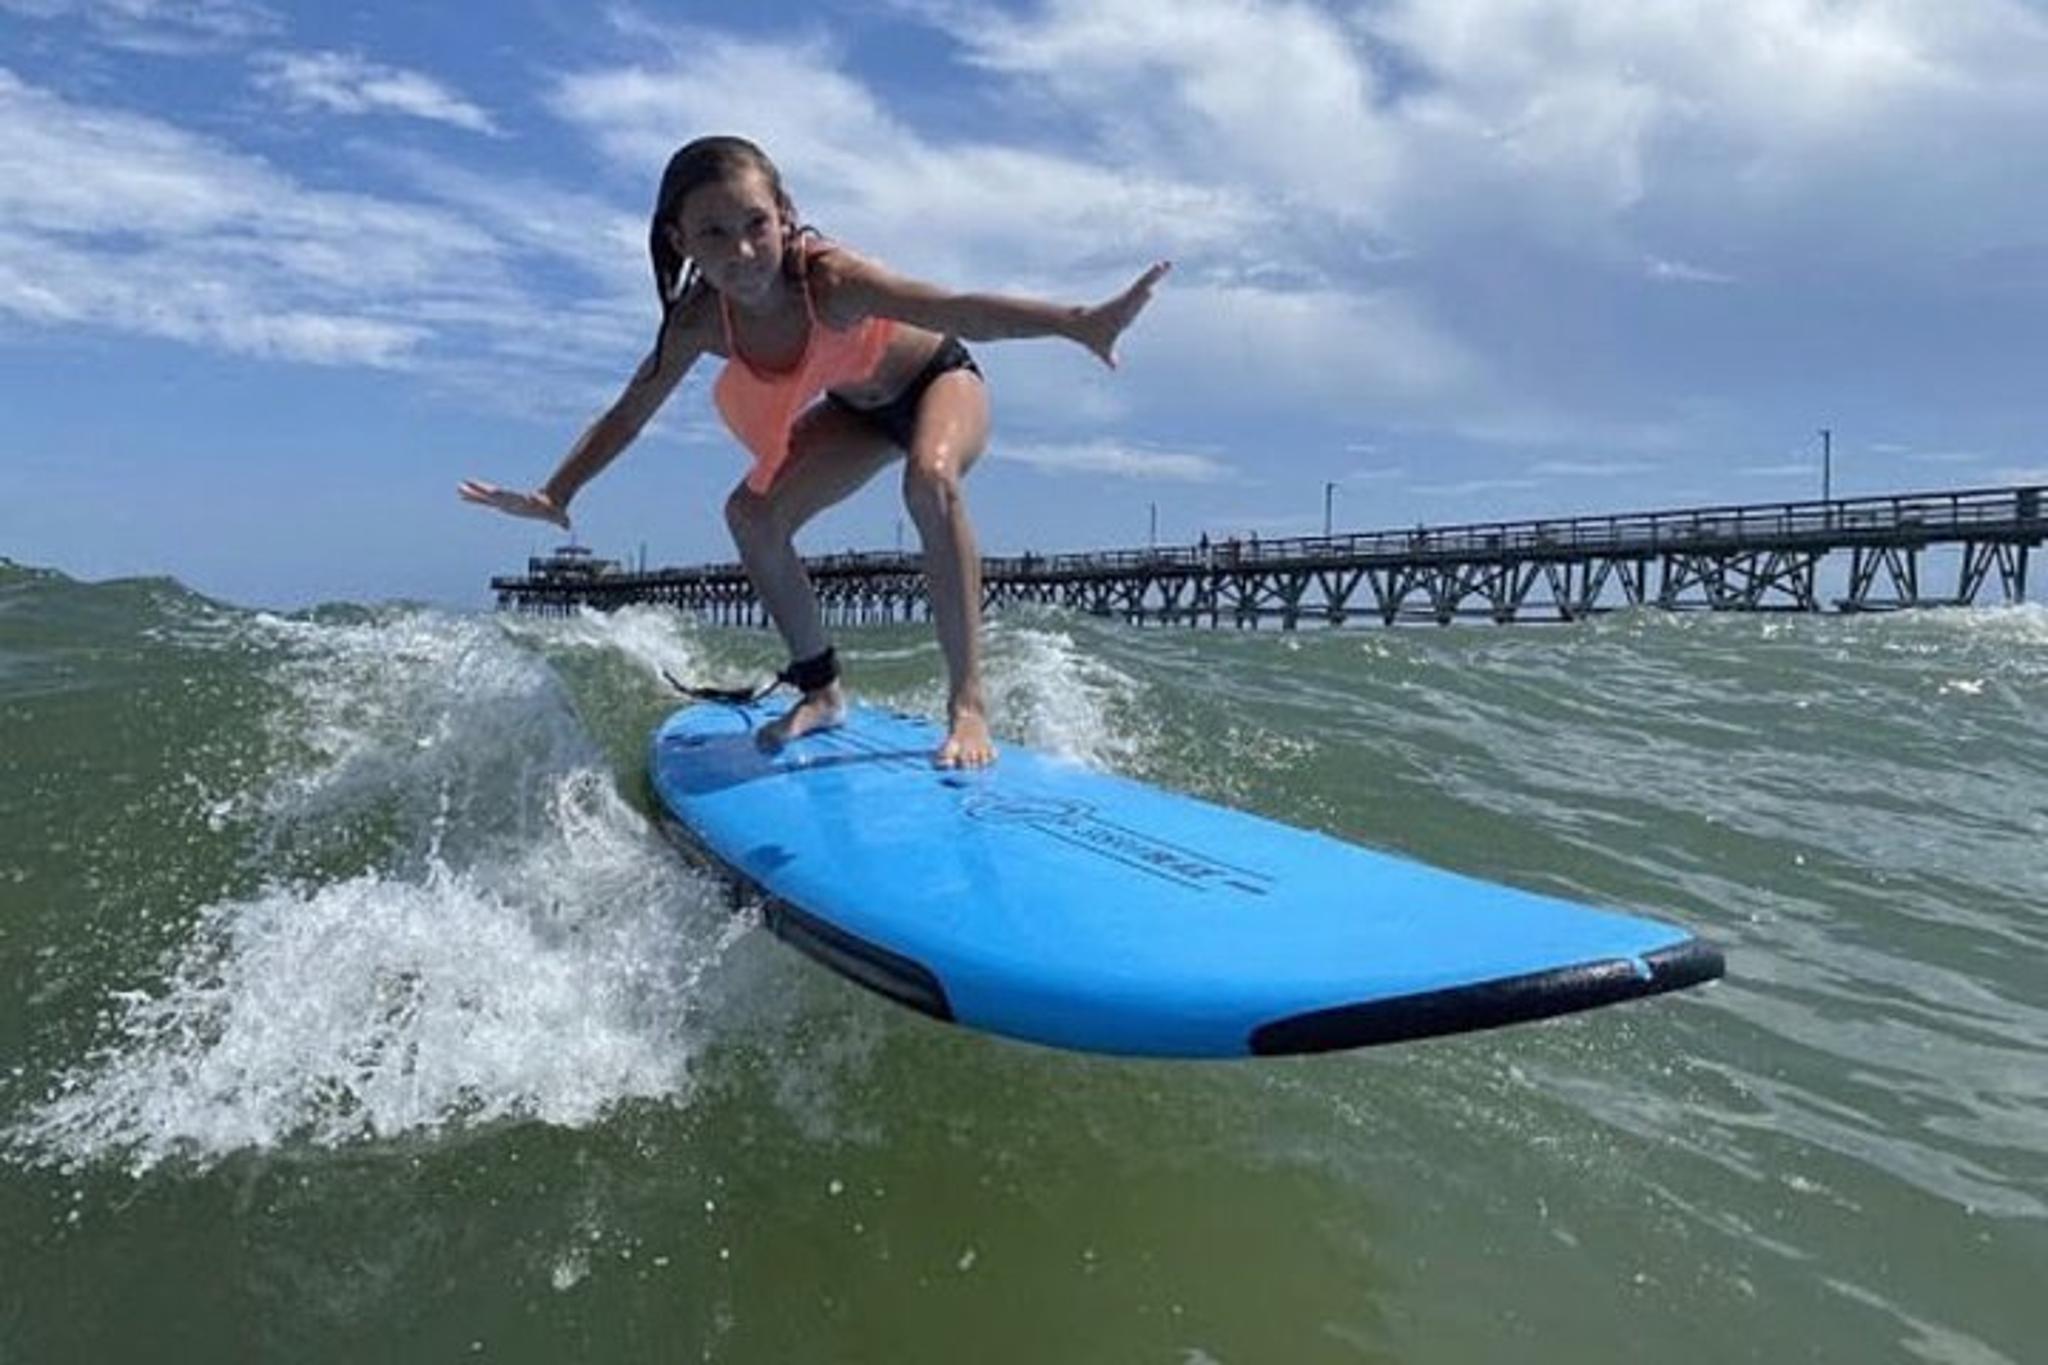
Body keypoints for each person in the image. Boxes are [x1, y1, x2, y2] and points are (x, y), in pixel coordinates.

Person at [460, 135, 1168, 768]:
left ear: (785, 212)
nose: (741, 251)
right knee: (750, 514)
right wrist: (559, 493)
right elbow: (628, 413)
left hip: (938, 381)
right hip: (857, 413)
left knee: (929, 479)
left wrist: (1080, 324)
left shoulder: (831, 281)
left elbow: (960, 310)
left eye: (755, 225)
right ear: (681, 241)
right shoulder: (700, 321)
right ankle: (820, 687)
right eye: (714, 232)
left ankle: (968, 706)